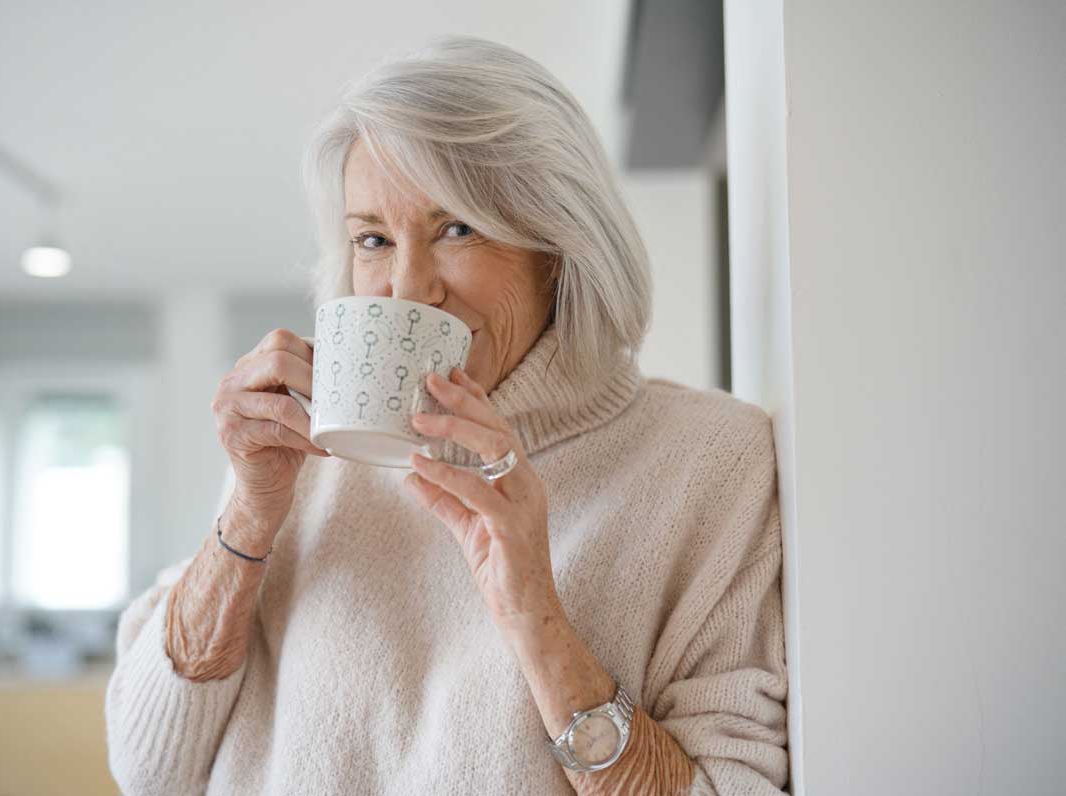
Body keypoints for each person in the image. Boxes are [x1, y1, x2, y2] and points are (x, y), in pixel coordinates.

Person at [106, 35, 788, 795]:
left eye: (455, 228)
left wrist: (532, 608)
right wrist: (250, 514)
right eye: (372, 239)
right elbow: (149, 772)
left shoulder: (711, 458)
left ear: (558, 247)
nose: (406, 287)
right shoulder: (305, 458)